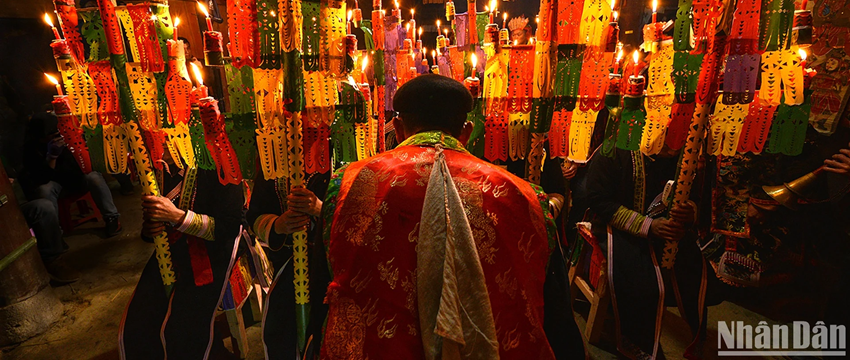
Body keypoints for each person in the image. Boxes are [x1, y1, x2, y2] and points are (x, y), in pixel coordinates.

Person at [318, 74, 585, 359]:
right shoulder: (525, 195)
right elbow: (553, 304)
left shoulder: (350, 184)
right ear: (467, 131)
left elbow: (328, 275)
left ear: (397, 127)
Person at [577, 144, 708, 359]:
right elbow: (599, 200)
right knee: (642, 283)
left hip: (667, 228)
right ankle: (639, 344)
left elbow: (695, 195)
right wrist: (648, 226)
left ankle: (697, 338)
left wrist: (689, 212)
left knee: (694, 271)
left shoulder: (685, 155)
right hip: (621, 226)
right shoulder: (612, 151)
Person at [119, 166, 244, 359]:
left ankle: (214, 351)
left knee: (184, 325)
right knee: (140, 320)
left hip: (216, 250)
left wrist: (177, 217)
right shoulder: (154, 169)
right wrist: (151, 228)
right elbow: (155, 226)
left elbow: (229, 226)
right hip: (173, 249)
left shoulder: (218, 163)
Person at [247, 172, 329, 358]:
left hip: (331, 267)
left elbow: (359, 213)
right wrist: (278, 225)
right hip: (287, 267)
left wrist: (321, 209)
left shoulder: (341, 157)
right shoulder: (272, 162)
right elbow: (254, 216)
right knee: (282, 333)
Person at [19, 111, 122, 237]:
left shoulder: (68, 135)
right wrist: (52, 157)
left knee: (94, 176)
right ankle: (55, 234)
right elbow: (41, 179)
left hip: (77, 179)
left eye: (57, 133)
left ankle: (112, 218)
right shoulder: (31, 148)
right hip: (56, 185)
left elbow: (85, 165)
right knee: (44, 190)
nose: (55, 136)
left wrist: (74, 146)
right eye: (50, 135)